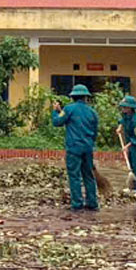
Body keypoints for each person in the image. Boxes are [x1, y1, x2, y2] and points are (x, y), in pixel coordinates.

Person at [52, 84, 99, 212]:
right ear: (85, 97)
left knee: (74, 176)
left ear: (72, 97)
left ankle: (77, 204)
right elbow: (95, 133)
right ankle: (92, 203)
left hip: (74, 148)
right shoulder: (92, 112)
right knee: (88, 175)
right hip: (88, 148)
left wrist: (55, 111)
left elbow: (57, 122)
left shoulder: (68, 109)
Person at [116, 95, 136, 199]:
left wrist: (127, 146)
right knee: (130, 165)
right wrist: (120, 127)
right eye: (122, 107)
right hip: (130, 142)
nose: (123, 109)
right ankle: (132, 187)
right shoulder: (126, 116)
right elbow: (122, 121)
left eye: (125, 107)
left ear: (130, 108)